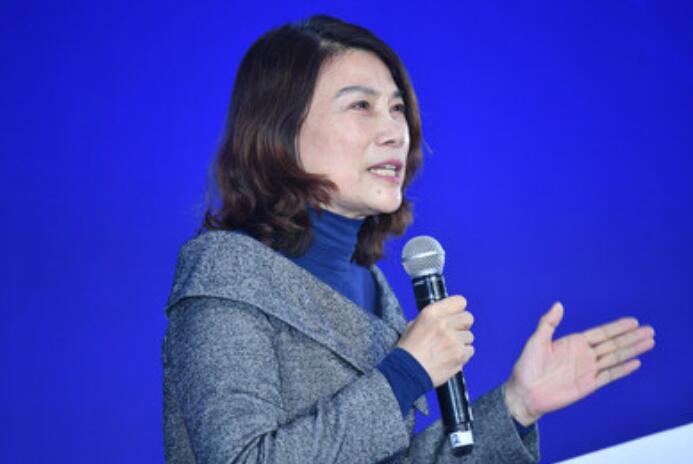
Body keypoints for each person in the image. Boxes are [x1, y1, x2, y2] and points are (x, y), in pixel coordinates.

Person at [162, 15, 656, 463]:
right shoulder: (227, 270)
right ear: (281, 129)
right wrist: (404, 373)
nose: (395, 132)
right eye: (361, 105)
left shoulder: (371, 284)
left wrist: (516, 404)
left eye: (397, 108)